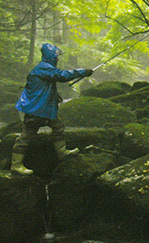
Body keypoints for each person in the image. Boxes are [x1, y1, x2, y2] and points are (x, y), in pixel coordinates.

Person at [11, 43, 93, 175]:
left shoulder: (44, 68)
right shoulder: (43, 68)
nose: (57, 58)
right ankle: (16, 165)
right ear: (50, 55)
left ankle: (62, 152)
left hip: (43, 110)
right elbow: (61, 76)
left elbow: (43, 87)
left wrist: (55, 96)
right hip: (35, 110)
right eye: (56, 55)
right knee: (26, 137)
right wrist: (82, 71)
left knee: (58, 125)